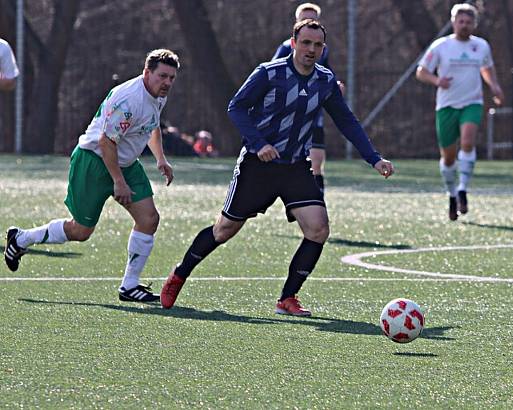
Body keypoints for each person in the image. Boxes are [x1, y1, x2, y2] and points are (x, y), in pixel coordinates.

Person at [160, 20, 394, 315]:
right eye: (306, 43)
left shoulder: (325, 81)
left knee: (318, 229)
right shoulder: (269, 73)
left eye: (317, 45)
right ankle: (180, 274)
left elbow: (346, 121)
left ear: (323, 49)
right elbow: (236, 108)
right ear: (293, 43)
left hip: (295, 167)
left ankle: (288, 297)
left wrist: (374, 158)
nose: (311, 50)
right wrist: (259, 143)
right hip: (258, 166)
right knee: (224, 230)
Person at [4, 49, 180, 303]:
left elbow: (151, 127)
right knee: (81, 231)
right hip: (94, 162)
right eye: (163, 76)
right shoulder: (129, 99)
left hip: (126, 162)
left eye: (172, 78)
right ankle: (21, 238)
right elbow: (106, 142)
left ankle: (129, 287)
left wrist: (161, 159)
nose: (167, 83)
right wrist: (118, 182)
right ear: (147, 72)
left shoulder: (158, 94)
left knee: (149, 219)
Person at [416, 3, 504, 221]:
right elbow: (421, 72)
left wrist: (494, 86)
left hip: (472, 103)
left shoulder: (481, 46)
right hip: (446, 106)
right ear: (453, 22)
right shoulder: (441, 46)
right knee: (448, 157)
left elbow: (486, 67)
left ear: (474, 24)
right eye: (460, 21)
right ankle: (452, 194)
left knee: (467, 142)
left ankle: (463, 188)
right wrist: (438, 80)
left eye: (468, 22)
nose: (464, 25)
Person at [273, 3, 335, 193]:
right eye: (305, 18)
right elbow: (273, 75)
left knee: (316, 163)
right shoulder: (285, 48)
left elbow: (326, 74)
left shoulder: (322, 49)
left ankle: (317, 204)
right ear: (297, 22)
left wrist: (334, 86)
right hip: (290, 116)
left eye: (313, 19)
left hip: (313, 114)